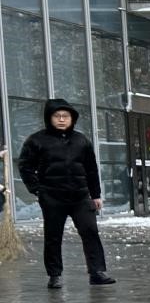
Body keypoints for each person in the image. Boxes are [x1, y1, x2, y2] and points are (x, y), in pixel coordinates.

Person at [18, 98, 114, 289]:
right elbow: (25, 166)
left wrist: (95, 195)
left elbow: (91, 169)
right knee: (53, 236)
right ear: (49, 118)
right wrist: (37, 189)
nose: (62, 119)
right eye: (57, 116)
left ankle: (97, 272)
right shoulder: (37, 140)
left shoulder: (81, 140)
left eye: (66, 116)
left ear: (72, 118)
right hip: (52, 197)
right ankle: (55, 275)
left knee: (90, 232)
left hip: (80, 197)